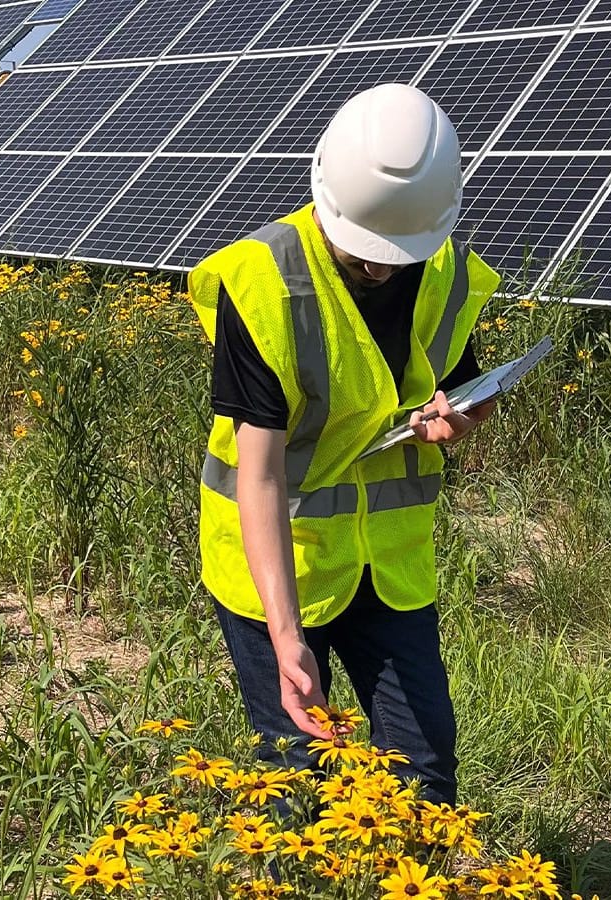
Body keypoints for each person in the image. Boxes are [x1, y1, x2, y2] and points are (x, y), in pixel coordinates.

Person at [186, 83, 501, 805]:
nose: (384, 271)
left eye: (399, 256)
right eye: (365, 257)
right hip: (276, 563)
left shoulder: (443, 267)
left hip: (387, 566)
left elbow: (457, 392)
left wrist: (460, 420)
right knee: (298, 780)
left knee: (425, 772)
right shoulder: (262, 283)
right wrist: (286, 635)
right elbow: (260, 475)